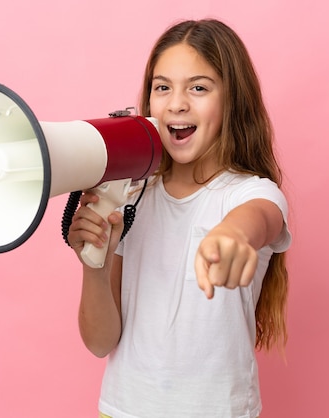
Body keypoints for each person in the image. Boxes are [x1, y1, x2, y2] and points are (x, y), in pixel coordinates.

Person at [66, 18, 292, 418]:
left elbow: (260, 219)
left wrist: (234, 235)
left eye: (199, 88)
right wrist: (93, 265)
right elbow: (101, 343)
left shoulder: (250, 193)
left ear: (233, 100)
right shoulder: (133, 196)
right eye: (162, 87)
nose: (176, 103)